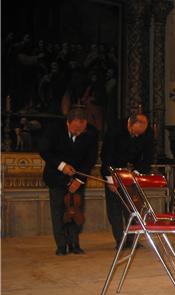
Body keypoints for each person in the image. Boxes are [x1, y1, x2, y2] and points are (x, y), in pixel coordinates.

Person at [39, 107, 98, 255]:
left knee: (76, 210)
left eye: (81, 130)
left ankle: (74, 243)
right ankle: (61, 245)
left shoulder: (91, 132)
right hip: (56, 177)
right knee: (58, 211)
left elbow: (90, 159)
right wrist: (62, 166)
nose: (79, 133)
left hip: (78, 178)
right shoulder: (53, 129)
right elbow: (44, 151)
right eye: (76, 129)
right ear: (68, 122)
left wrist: (79, 179)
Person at [100, 113, 154, 249]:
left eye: (139, 135)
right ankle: (120, 239)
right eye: (135, 133)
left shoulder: (147, 133)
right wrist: (110, 178)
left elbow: (148, 156)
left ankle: (132, 239)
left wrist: (136, 173)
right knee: (115, 208)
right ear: (130, 124)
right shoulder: (115, 129)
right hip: (113, 170)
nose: (136, 136)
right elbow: (106, 155)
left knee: (132, 208)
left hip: (132, 172)